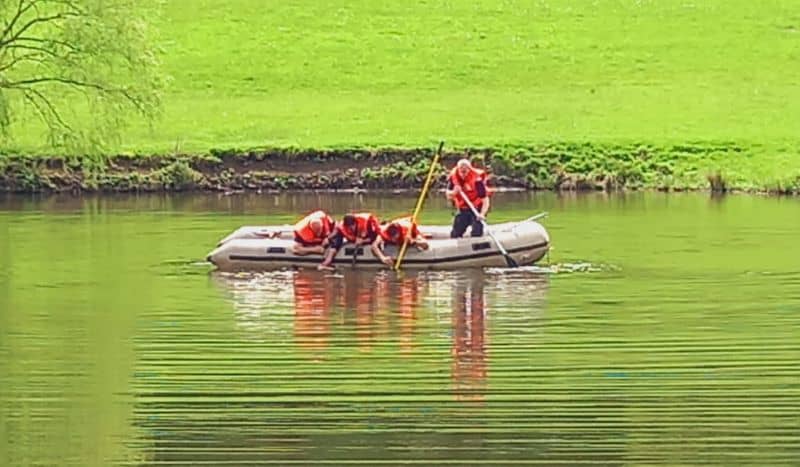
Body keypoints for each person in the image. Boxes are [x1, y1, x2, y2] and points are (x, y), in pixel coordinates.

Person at [445, 158, 490, 238]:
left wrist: (482, 214)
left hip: (477, 208)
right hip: (463, 208)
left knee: (477, 230)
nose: (463, 175)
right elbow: (448, 195)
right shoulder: (454, 177)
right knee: (455, 232)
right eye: (461, 172)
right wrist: (454, 192)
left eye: (465, 172)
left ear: (469, 170)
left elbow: (485, 200)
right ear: (458, 170)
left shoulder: (477, 180)